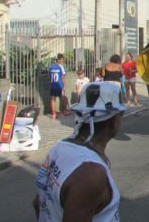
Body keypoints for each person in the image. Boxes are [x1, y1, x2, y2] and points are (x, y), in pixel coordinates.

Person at [33, 82, 125, 221]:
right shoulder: (92, 174)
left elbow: (38, 203)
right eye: (121, 114)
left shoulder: (59, 149)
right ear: (114, 121)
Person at [49, 54, 68, 120]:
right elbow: (63, 77)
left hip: (52, 86)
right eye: (62, 59)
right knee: (62, 98)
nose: (63, 60)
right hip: (59, 86)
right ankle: (63, 112)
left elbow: (49, 76)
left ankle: (53, 114)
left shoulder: (51, 67)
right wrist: (64, 85)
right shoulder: (60, 67)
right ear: (59, 60)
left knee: (52, 100)